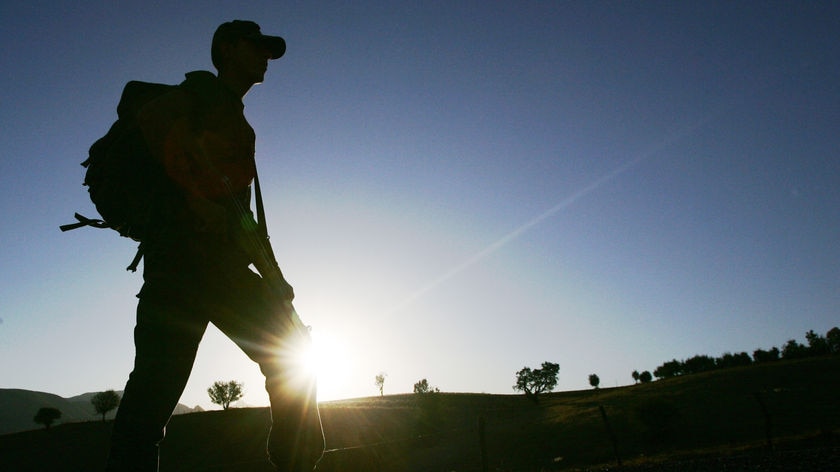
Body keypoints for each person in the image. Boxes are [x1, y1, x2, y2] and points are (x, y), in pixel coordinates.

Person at [105, 20, 324, 472]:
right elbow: (151, 119)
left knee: (293, 357)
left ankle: (297, 462)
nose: (265, 57)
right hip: (179, 268)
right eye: (256, 47)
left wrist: (276, 278)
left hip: (223, 270)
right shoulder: (198, 92)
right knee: (153, 395)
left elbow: (240, 216)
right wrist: (192, 197)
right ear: (228, 50)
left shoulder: (239, 125)